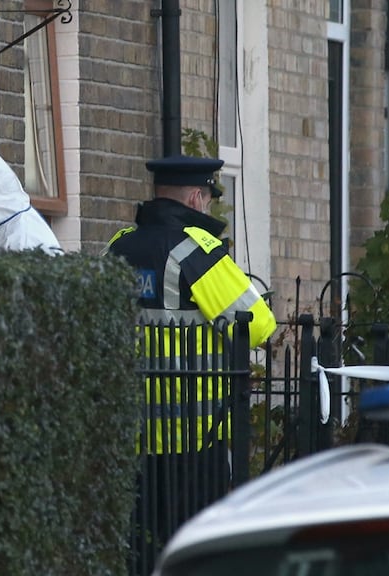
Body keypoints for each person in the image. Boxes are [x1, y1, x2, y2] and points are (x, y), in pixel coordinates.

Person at [104, 154, 276, 571]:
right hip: (195, 436)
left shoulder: (118, 246)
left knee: (139, 553)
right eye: (210, 200)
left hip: (133, 436)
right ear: (198, 198)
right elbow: (258, 325)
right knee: (197, 555)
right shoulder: (194, 251)